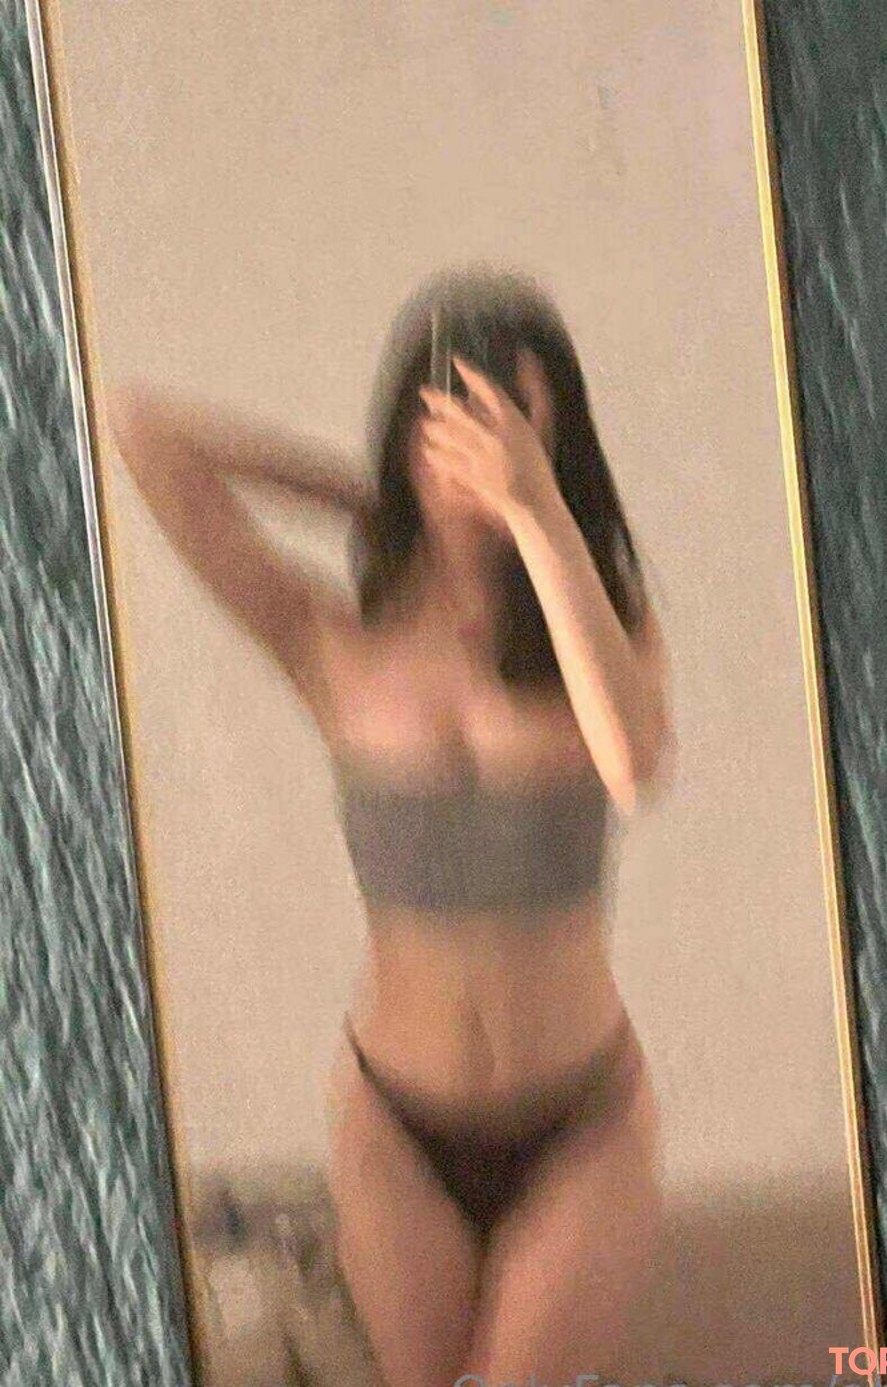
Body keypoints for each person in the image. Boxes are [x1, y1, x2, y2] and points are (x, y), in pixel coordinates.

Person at [109, 265, 676, 1386]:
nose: (480, 446)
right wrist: (371, 494)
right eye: (449, 417)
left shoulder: (604, 626)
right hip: (394, 1121)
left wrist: (536, 509)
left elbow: (634, 763)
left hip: (586, 1118)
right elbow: (141, 429)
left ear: (556, 441)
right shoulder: (335, 639)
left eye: (513, 421)